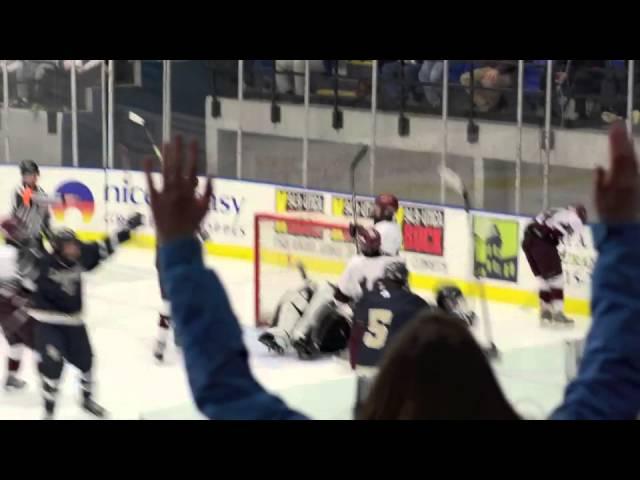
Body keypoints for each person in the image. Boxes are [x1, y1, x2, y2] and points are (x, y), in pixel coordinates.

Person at [149, 123, 640, 420]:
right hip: (365, 277)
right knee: (332, 297)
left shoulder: (384, 239)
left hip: (368, 276)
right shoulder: (380, 237)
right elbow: (617, 371)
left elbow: (224, 388)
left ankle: (310, 333)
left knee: (336, 298)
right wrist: (625, 239)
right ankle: (306, 331)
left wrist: (177, 247)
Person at [29, 214, 143, 419]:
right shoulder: (43, 264)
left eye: (74, 244)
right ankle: (49, 409)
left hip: (74, 322)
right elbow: (23, 278)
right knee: (53, 366)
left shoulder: (80, 255)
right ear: (57, 248)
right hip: (48, 324)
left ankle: (87, 400)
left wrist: (128, 228)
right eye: (68, 245)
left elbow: (105, 246)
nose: (74, 248)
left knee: (87, 362)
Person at [521, 204, 587, 327]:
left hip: (527, 241)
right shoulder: (575, 220)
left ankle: (545, 312)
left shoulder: (560, 210)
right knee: (557, 280)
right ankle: (558, 313)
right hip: (542, 243)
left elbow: (539, 222)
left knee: (543, 280)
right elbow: (558, 236)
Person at [0, 217, 37, 390]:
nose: (22, 234)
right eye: (18, 231)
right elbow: (28, 284)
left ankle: (11, 379)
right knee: (40, 343)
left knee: (16, 342)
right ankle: (50, 386)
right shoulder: (11, 254)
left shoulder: (8, 252)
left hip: (6, 310)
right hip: (12, 309)